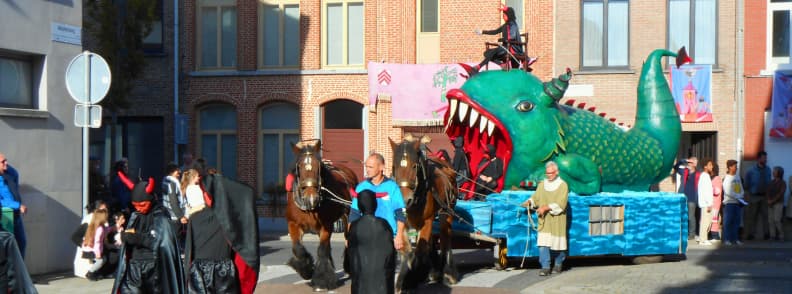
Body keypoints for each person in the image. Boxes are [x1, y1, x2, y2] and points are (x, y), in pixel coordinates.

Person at [112, 172, 185, 294]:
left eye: (142, 205)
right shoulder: (135, 216)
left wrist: (135, 237)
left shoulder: (161, 217)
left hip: (154, 268)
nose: (139, 208)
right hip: (134, 266)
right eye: (135, 205)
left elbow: (160, 242)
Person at [350, 153, 407, 252]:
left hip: (387, 237)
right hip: (365, 237)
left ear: (381, 167)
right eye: (366, 166)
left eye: (370, 167)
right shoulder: (361, 187)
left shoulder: (392, 187)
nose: (367, 170)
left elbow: (401, 213)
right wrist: (349, 236)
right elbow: (354, 214)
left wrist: (399, 236)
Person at [521, 161, 568, 276]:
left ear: (556, 172)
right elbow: (536, 198)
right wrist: (529, 202)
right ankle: (545, 267)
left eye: (551, 173)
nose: (549, 175)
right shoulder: (542, 185)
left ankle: (558, 263)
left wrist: (546, 207)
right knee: (543, 243)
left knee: (558, 245)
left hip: (557, 220)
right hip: (544, 220)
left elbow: (561, 204)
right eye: (547, 173)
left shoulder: (563, 185)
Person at [348, 189, 395, 294]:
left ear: (360, 205)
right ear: (375, 204)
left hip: (360, 284)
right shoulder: (384, 224)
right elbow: (391, 253)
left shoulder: (354, 226)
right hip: (383, 284)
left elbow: (350, 253)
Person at [466, 5, 536, 74]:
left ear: (509, 15)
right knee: (486, 53)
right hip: (505, 47)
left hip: (512, 48)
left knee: (494, 52)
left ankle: (478, 67)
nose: (503, 17)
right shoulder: (505, 25)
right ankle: (502, 65)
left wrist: (502, 39)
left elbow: (511, 36)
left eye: (504, 15)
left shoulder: (512, 24)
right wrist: (482, 32)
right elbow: (495, 31)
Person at [0, 153, 27, 258]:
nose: (6, 163)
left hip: (16, 216)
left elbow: (15, 175)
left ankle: (20, 272)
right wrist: (17, 205)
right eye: (3, 162)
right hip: (4, 217)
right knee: (7, 247)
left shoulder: (11, 174)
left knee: (22, 243)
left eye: (6, 160)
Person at [744, 151, 771, 240]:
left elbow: (769, 182)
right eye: (764, 158)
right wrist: (750, 191)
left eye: (766, 158)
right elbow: (746, 183)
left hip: (764, 196)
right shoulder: (751, 170)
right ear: (758, 159)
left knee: (765, 216)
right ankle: (750, 234)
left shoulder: (768, 169)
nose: (765, 160)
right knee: (752, 216)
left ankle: (766, 234)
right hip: (754, 196)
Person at [675, 157, 700, 240]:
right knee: (682, 216)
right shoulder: (684, 172)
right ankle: (682, 232)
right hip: (683, 197)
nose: (689, 164)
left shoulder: (698, 174)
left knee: (690, 217)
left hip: (692, 199)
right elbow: (676, 167)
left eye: (691, 163)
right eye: (688, 163)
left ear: (695, 164)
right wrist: (684, 160)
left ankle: (692, 234)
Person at [82, 209, 110, 281]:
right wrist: (97, 253)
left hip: (88, 249)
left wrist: (111, 228)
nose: (107, 218)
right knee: (100, 261)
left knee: (103, 260)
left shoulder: (94, 226)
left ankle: (94, 272)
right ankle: (90, 273)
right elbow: (97, 242)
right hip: (92, 251)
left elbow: (106, 230)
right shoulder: (100, 228)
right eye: (105, 216)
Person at [722, 160, 745, 246]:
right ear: (730, 167)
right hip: (730, 203)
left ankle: (735, 239)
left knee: (737, 222)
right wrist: (737, 196)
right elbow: (727, 191)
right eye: (735, 166)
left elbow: (741, 188)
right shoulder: (727, 178)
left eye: (736, 166)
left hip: (738, 202)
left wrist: (741, 195)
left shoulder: (737, 177)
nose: (736, 168)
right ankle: (727, 239)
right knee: (728, 222)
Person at [162, 163, 186, 235]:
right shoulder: (172, 183)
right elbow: (173, 201)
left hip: (167, 213)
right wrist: (180, 216)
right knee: (176, 238)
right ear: (172, 172)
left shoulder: (165, 181)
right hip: (174, 216)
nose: (179, 172)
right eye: (177, 171)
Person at [697, 161, 714, 246]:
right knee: (705, 222)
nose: (712, 167)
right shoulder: (704, 176)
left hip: (706, 203)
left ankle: (704, 238)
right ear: (705, 167)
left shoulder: (706, 176)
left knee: (707, 221)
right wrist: (709, 203)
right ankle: (703, 239)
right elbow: (706, 191)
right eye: (710, 165)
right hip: (706, 203)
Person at [767, 166, 786, 241]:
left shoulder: (783, 183)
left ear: (779, 173)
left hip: (778, 203)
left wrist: (773, 200)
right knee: (770, 220)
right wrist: (768, 200)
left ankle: (781, 235)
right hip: (770, 203)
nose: (773, 172)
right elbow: (767, 191)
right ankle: (772, 236)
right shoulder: (771, 182)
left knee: (777, 220)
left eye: (775, 171)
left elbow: (781, 193)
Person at [707, 160, 723, 240]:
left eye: (710, 165)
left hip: (715, 203)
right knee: (709, 220)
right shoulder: (709, 177)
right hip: (709, 202)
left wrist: (708, 189)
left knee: (714, 220)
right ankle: (710, 235)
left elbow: (717, 191)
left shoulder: (717, 178)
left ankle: (715, 236)